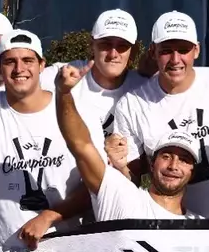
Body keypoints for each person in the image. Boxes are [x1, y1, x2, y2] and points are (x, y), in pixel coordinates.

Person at [0, 30, 95, 250]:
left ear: (42, 65)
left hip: (65, 250)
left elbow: (97, 186)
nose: (19, 69)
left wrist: (49, 216)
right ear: (0, 68)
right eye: (10, 61)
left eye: (28, 60)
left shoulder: (78, 111)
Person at [108, 12, 209, 217]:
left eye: (183, 50)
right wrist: (118, 166)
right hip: (179, 230)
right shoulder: (133, 104)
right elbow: (131, 177)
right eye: (166, 51)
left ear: (196, 50)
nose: (175, 59)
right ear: (153, 51)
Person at [56, 62, 197, 221]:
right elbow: (81, 145)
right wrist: (64, 92)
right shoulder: (123, 198)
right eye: (166, 156)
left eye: (184, 160)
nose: (173, 166)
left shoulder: (203, 227)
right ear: (151, 163)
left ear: (193, 173)